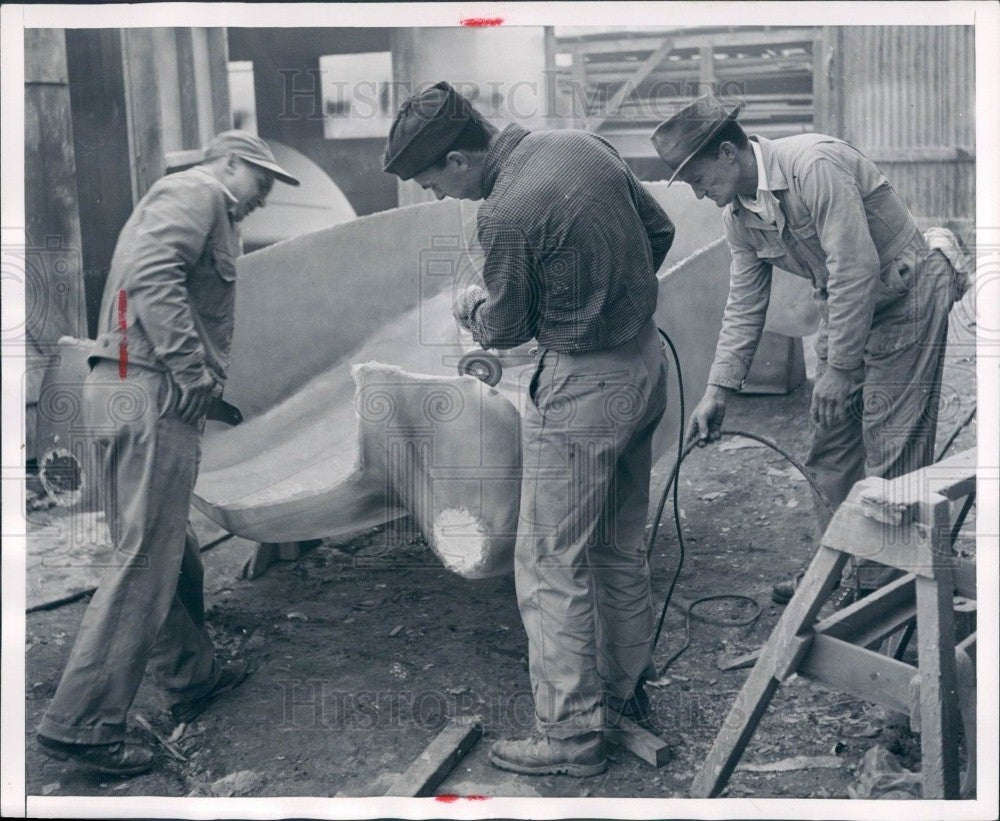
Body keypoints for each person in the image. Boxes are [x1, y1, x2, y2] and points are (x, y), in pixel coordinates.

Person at [384, 81, 675, 776]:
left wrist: (471, 309)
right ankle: (624, 695)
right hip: (645, 363)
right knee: (616, 544)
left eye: (431, 182)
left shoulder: (506, 211)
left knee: (549, 561)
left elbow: (509, 328)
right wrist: (606, 300)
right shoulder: (581, 145)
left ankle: (571, 738)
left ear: (460, 159)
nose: (436, 195)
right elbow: (659, 230)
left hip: (584, 390)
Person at [37, 131, 300, 776]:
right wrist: (192, 373)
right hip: (149, 391)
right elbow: (154, 279)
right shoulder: (197, 192)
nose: (263, 198)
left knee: (165, 545)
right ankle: (83, 726)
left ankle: (192, 676)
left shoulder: (182, 199)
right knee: (146, 558)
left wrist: (203, 390)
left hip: (131, 386)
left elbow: (154, 292)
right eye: (261, 181)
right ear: (231, 164)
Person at [655, 93, 959, 603]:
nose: (700, 193)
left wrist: (839, 367)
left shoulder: (813, 166)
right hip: (849, 306)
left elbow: (855, 267)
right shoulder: (739, 219)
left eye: (699, 179)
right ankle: (834, 569)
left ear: (729, 153)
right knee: (829, 439)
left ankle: (887, 591)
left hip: (906, 296)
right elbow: (745, 304)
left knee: (891, 442)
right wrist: (718, 390)